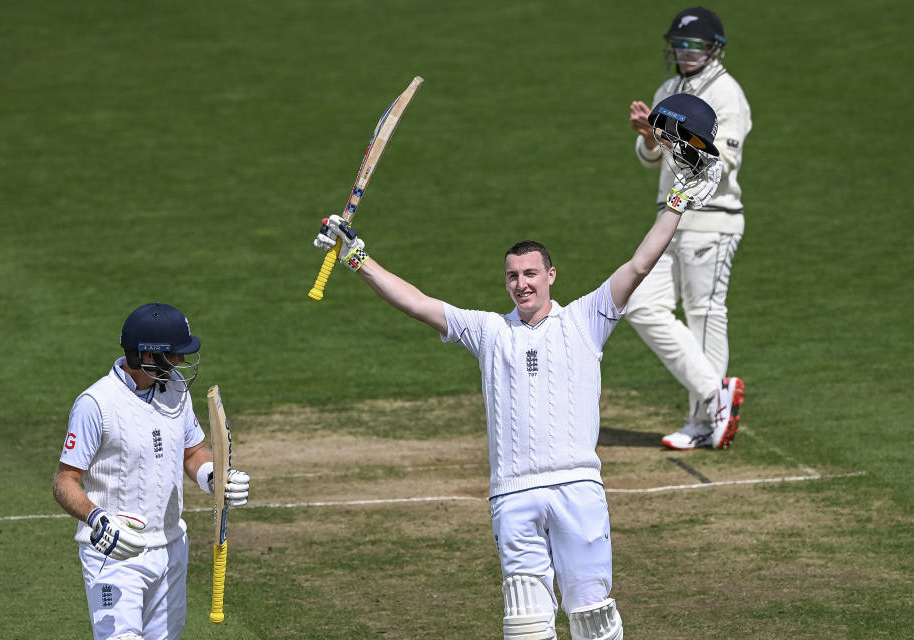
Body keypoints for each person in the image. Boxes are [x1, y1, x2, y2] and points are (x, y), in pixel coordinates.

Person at [313, 94, 722, 640]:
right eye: (513, 276)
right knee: (525, 629)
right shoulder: (488, 331)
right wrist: (356, 256)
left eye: (531, 273)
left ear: (551, 274)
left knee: (594, 622)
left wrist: (674, 201)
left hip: (577, 489)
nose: (522, 283)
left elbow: (640, 262)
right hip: (512, 494)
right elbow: (415, 301)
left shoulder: (587, 318)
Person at [52, 302, 250, 640]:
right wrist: (98, 519)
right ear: (148, 355)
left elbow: (193, 451)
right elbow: (64, 481)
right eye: (174, 354)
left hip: (171, 547)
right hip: (115, 552)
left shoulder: (175, 389)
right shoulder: (96, 403)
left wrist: (213, 478)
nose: (181, 362)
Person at [628, 6, 751, 450]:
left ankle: (703, 422)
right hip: (671, 214)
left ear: (714, 48)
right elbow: (651, 158)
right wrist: (649, 135)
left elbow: (723, 160)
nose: (685, 52)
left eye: (694, 45)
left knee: (703, 315)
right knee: (641, 305)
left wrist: (672, 137)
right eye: (679, 44)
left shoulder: (727, 94)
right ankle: (713, 396)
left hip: (711, 218)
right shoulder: (669, 88)